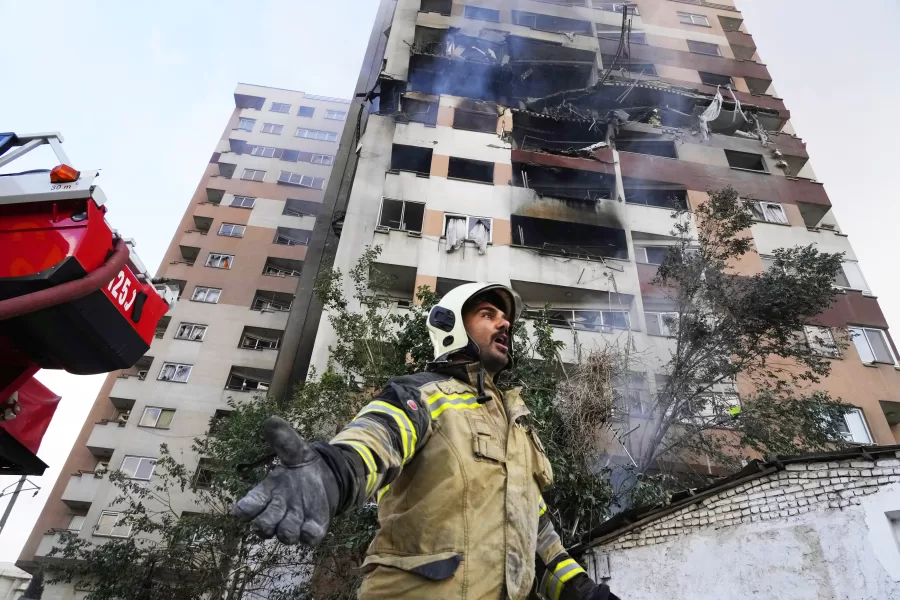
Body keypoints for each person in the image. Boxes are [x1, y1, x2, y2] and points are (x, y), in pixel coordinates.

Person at [233, 283, 621, 600]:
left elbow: (535, 532)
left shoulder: (518, 427)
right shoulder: (424, 394)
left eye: (506, 320)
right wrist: (332, 471)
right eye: (488, 315)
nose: (504, 325)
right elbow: (379, 436)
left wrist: (582, 592)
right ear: (451, 325)